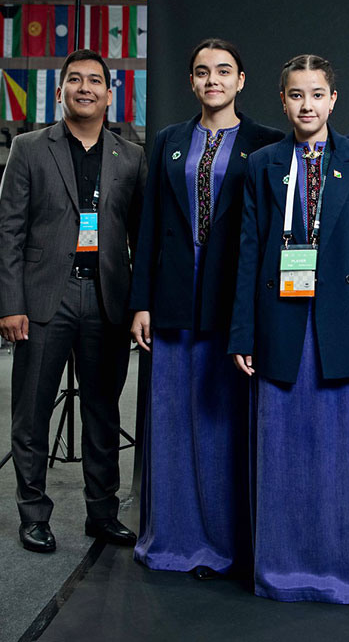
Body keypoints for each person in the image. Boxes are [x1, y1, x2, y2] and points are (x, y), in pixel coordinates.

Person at [229, 54, 349, 603]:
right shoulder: (264, 163)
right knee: (281, 451)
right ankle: (281, 563)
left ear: (334, 99)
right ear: (283, 101)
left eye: (317, 94)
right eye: (296, 95)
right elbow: (248, 253)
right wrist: (242, 334)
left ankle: (341, 558)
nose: (307, 105)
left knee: (338, 451)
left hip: (339, 322)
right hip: (280, 320)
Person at [130, 39, 282, 579]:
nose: (212, 79)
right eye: (201, 72)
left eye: (223, 71)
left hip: (233, 301)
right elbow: (149, 228)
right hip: (173, 300)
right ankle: (174, 534)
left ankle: (231, 541)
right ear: (191, 82)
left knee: (227, 421)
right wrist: (142, 302)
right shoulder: (169, 140)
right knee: (172, 421)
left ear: (242, 80)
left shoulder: (268, 143)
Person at [0, 49, 147, 553]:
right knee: (32, 412)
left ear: (110, 93)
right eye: (75, 80)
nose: (85, 88)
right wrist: (9, 303)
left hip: (107, 300)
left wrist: (140, 303)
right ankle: (33, 513)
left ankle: (102, 513)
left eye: (95, 81)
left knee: (104, 414)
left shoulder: (131, 155)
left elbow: (142, 239)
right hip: (42, 301)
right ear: (60, 90)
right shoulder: (30, 148)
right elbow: (10, 228)